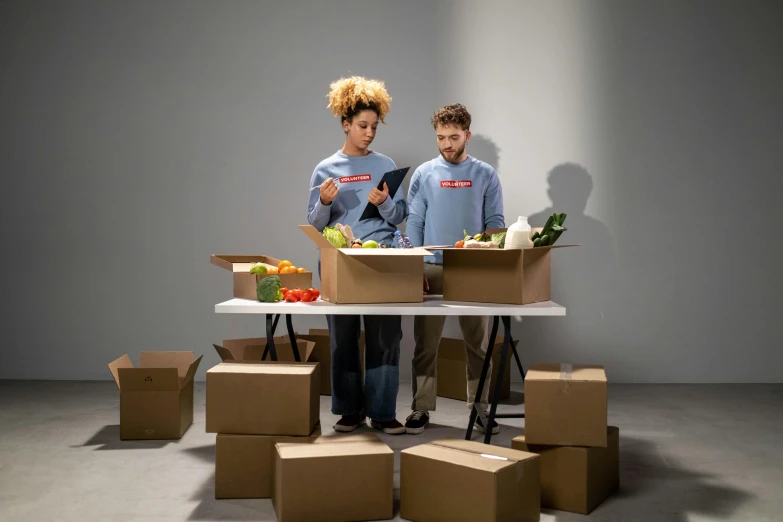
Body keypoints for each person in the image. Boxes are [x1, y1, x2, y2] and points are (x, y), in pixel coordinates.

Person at [307, 76, 407, 434]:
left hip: (382, 259)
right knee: (344, 337)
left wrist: (387, 204)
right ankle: (349, 410)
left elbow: (399, 218)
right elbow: (316, 224)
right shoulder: (325, 169)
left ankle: (382, 412)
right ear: (346, 125)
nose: (369, 133)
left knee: (385, 337)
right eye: (362, 126)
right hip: (340, 262)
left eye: (374, 127)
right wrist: (325, 201)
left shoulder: (385, 164)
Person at [404, 103, 505, 434]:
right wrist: (414, 266)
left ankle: (480, 409)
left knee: (478, 344)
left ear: (467, 136)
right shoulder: (425, 173)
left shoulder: (486, 174)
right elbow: (415, 221)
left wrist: (489, 261)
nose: (447, 144)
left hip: (472, 270)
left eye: (453, 137)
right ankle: (420, 408)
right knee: (425, 343)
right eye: (441, 137)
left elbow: (494, 225)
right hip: (431, 266)